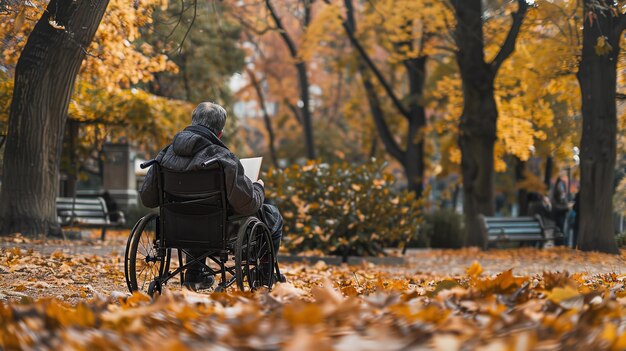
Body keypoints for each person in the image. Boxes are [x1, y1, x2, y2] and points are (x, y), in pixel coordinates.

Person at [140, 102, 283, 290]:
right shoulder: (223, 158)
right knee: (273, 216)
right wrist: (258, 188)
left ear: (192, 122)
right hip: (218, 229)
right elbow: (247, 205)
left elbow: (148, 198)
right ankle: (264, 276)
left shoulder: (164, 155)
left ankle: (195, 273)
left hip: (177, 226)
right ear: (220, 133)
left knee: (194, 211)